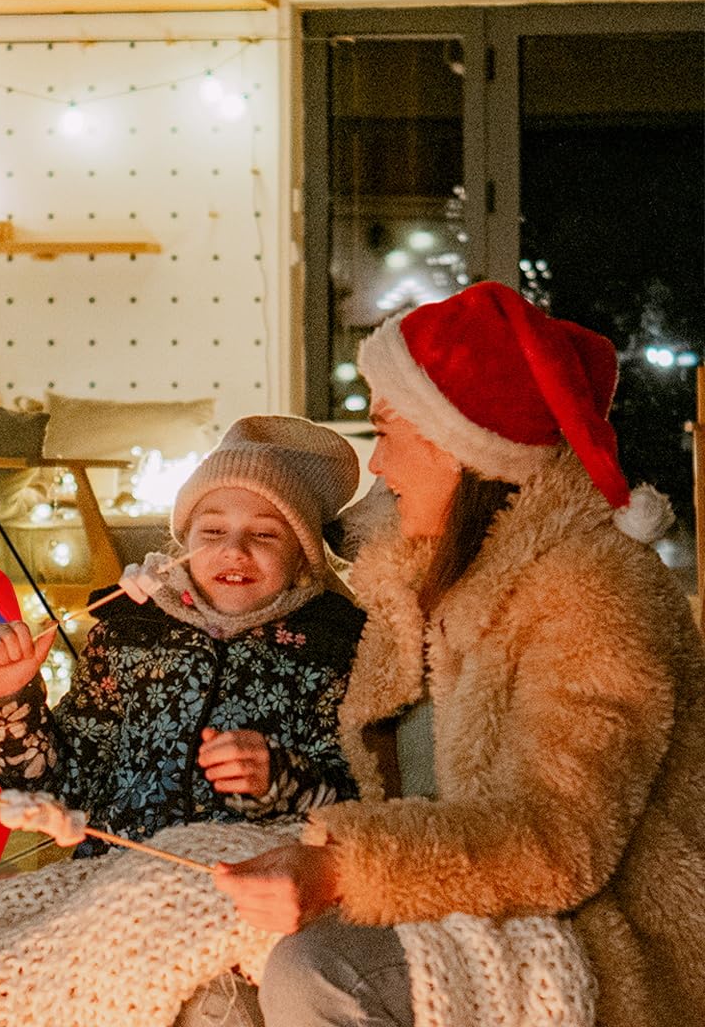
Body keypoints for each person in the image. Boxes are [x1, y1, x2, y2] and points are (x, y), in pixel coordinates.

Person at [215, 282, 705, 1027]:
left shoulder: (593, 590)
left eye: (386, 431)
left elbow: (557, 841)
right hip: (462, 902)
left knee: (320, 971)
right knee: (210, 965)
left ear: (464, 444)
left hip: (602, 937)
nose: (376, 466)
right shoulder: (417, 585)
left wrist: (344, 867)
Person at [0, 415, 368, 1027]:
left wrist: (276, 777)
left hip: (242, 899)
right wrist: (7, 698)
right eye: (213, 530)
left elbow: (357, 798)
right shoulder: (131, 631)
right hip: (114, 887)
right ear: (185, 541)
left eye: (265, 534)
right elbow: (59, 784)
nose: (235, 550)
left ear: (304, 555)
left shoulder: (336, 645)